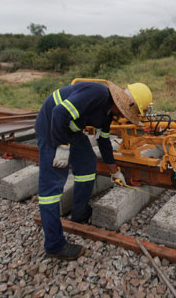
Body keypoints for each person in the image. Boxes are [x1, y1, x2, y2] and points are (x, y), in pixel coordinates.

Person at [35, 80, 152, 260]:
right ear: (124, 104)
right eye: (130, 112)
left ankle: (79, 213)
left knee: (88, 163)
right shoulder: (97, 94)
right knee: (52, 186)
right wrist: (62, 147)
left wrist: (115, 171)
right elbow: (59, 113)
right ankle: (54, 245)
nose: (125, 116)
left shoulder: (107, 113)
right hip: (51, 125)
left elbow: (104, 142)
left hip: (70, 129)